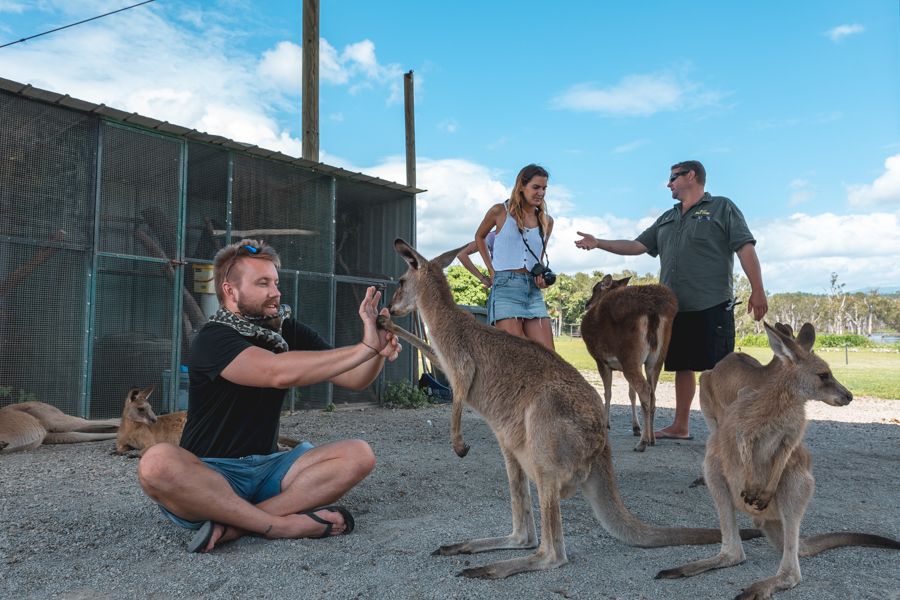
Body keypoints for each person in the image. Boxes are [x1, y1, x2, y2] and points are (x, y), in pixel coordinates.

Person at [137, 239, 401, 553]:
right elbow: (275, 372)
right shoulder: (212, 337)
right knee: (156, 463)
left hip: (269, 470)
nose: (275, 292)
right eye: (263, 283)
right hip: (211, 475)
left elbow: (354, 377)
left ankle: (239, 524)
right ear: (230, 291)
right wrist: (364, 349)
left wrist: (377, 351)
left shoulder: (284, 331)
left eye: (275, 282)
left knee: (359, 454)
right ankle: (281, 524)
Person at [574, 160, 767, 440]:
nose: (669, 184)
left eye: (673, 178)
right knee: (682, 366)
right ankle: (681, 425)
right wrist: (599, 242)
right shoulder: (667, 218)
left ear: (691, 176)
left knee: (721, 368)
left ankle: (730, 429)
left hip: (711, 302)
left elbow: (745, 248)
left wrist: (757, 289)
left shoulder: (722, 208)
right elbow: (637, 246)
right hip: (672, 308)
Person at [474, 164, 555, 351]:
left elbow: (538, 258)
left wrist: (541, 277)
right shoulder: (499, 211)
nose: (541, 193)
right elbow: (479, 237)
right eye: (536, 187)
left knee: (549, 357)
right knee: (517, 356)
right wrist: (491, 270)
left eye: (544, 188)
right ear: (521, 186)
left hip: (532, 291)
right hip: (506, 289)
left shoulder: (547, 221)